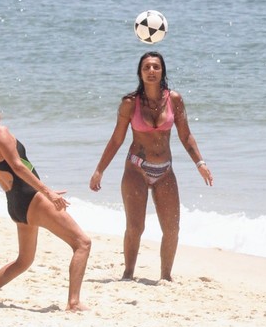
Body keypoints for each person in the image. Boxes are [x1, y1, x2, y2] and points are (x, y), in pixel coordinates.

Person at [0, 93, 91, 311]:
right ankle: (74, 302)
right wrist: (47, 192)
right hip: (32, 199)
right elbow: (18, 166)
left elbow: (9, 172)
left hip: (16, 204)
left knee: (24, 261)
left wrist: (41, 190)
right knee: (82, 244)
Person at [89, 50, 212, 280]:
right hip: (136, 168)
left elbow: (186, 136)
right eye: (146, 67)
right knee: (136, 227)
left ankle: (165, 277)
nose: (151, 71)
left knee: (172, 229)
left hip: (165, 171)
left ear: (162, 70)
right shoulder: (130, 103)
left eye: (156, 67)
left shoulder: (174, 99)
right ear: (140, 72)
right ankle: (128, 274)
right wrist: (99, 170)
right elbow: (117, 139)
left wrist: (200, 162)